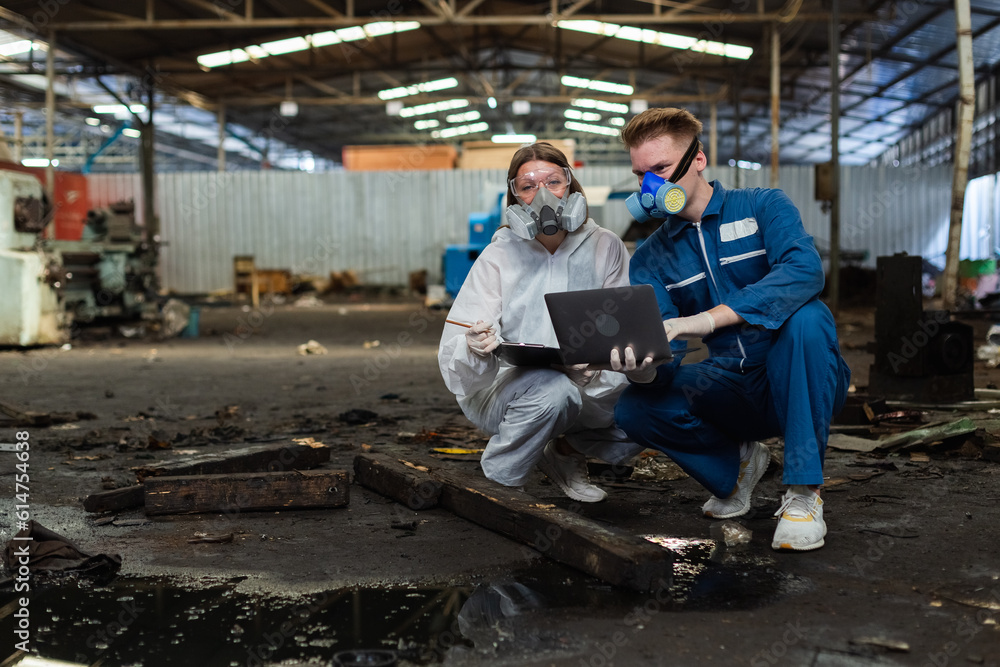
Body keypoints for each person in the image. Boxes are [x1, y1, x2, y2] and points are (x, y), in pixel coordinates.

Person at [610, 107, 851, 551]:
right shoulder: (650, 257)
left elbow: (804, 271)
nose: (650, 188)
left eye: (660, 169)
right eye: (640, 174)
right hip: (733, 383)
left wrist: (706, 319)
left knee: (808, 318)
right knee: (634, 409)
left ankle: (803, 492)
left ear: (698, 159)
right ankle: (738, 464)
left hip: (800, 374)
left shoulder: (764, 206)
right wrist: (641, 366)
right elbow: (665, 360)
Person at [438, 142, 642, 502]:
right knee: (553, 390)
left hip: (593, 384)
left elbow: (624, 327)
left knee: (652, 412)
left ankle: (564, 453)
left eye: (553, 181)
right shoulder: (500, 253)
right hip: (510, 390)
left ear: (571, 186)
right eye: (528, 186)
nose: (542, 195)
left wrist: (597, 368)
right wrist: (476, 346)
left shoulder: (604, 245)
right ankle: (500, 486)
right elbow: (463, 343)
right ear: (515, 198)